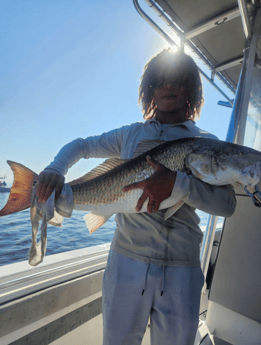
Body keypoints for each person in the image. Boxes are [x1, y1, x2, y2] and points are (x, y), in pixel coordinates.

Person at [36, 49, 236, 345]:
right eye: (160, 80)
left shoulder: (207, 144)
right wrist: (55, 168)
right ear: (150, 90)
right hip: (125, 264)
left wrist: (177, 184)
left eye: (177, 80)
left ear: (190, 89)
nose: (168, 86)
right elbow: (82, 145)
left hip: (182, 268)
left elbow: (227, 205)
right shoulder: (130, 135)